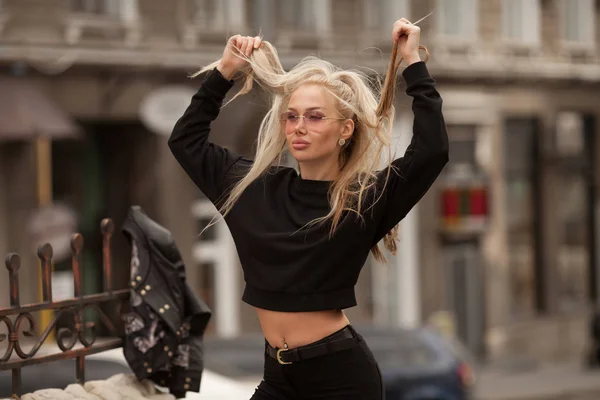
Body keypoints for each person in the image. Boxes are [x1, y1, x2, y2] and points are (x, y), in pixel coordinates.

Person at [169, 17, 448, 400]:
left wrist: (412, 62)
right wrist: (225, 71)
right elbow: (185, 141)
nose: (299, 126)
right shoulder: (251, 187)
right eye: (292, 115)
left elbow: (432, 151)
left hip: (341, 379)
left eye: (315, 116)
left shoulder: (363, 199)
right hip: (278, 378)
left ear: (345, 129)